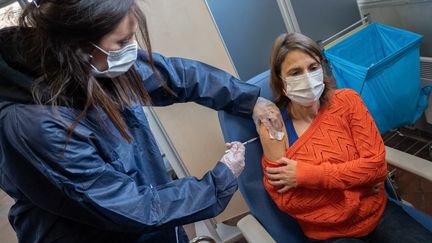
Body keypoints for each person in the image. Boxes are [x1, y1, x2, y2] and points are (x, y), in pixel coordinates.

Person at [0, 1, 283, 242]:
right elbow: (130, 207)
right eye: (122, 43)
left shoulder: (90, 64)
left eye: (132, 37)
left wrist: (248, 99)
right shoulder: (33, 125)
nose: (131, 51)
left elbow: (173, 75)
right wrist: (220, 180)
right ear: (78, 47)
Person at [259, 32, 432, 242]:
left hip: (376, 214)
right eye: (295, 72)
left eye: (313, 68)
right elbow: (288, 200)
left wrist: (309, 175)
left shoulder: (347, 102)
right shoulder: (275, 129)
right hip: (330, 233)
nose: (307, 77)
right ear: (280, 80)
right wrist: (360, 184)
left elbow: (376, 167)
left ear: (322, 68)